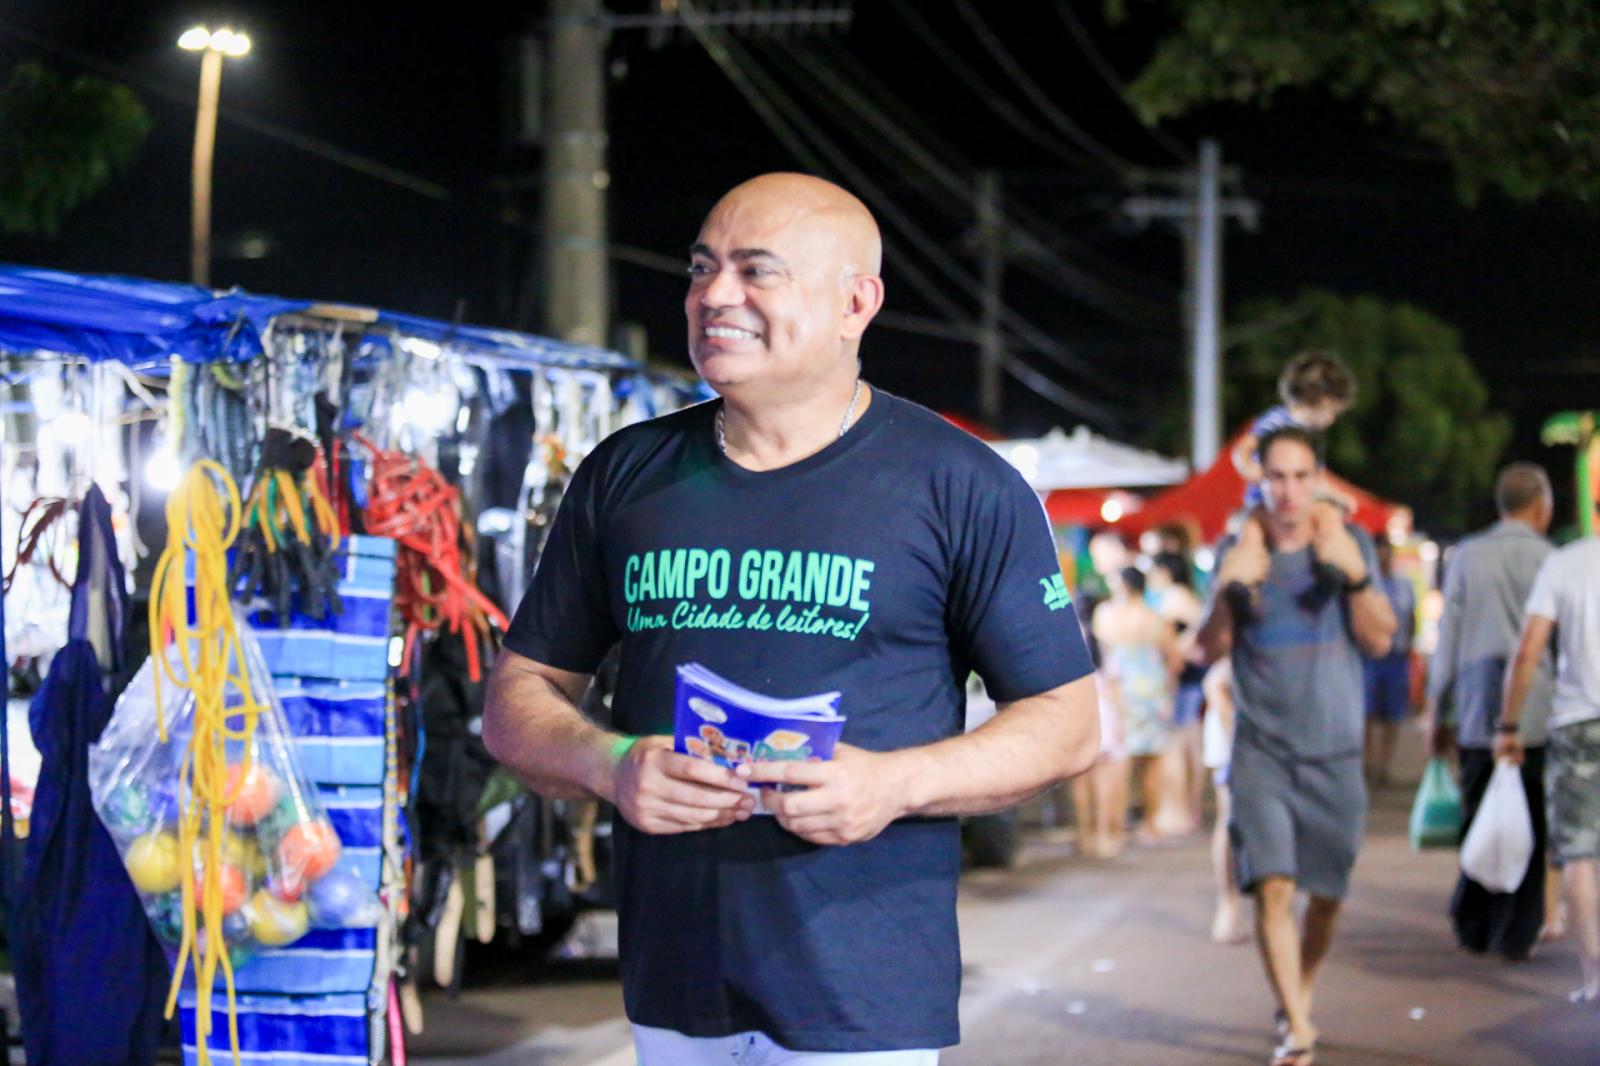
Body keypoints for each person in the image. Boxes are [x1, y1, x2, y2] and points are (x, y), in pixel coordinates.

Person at [480, 172, 1099, 1064]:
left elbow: (1068, 723)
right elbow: (517, 697)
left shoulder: (961, 485)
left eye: (756, 270)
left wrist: (894, 785)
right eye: (702, 268)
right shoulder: (624, 473)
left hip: (861, 998)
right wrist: (610, 765)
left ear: (856, 303)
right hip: (672, 988)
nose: (714, 295)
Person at [1197, 425, 1396, 1066]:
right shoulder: (1236, 550)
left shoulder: (1347, 542)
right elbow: (1205, 650)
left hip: (1335, 749)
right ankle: (1299, 1029)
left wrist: (1356, 580)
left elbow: (1381, 640)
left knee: (1327, 894)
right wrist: (1227, 592)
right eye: (1276, 476)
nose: (1288, 490)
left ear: (1317, 480)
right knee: (1274, 887)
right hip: (1262, 749)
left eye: (1300, 476)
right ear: (1259, 480)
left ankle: (1296, 999)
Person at [1424, 463, 1557, 960]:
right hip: (1537, 713)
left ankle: (1474, 922)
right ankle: (1516, 931)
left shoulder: (1467, 555)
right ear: (1540, 507)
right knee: (1531, 822)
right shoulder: (1550, 559)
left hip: (1477, 710)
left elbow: (1448, 640)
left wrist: (1436, 709)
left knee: (1479, 812)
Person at [1496, 504, 1600, 1005]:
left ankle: (1594, 974)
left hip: (1577, 723)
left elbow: (1528, 651)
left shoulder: (1565, 563)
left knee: (1579, 855)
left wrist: (1508, 724)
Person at [1094, 566, 1186, 842]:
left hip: (1117, 691)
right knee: (1152, 762)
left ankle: (1113, 826)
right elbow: (1174, 659)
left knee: (1118, 762)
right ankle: (1151, 822)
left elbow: (1098, 656)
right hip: (1152, 692)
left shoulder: (1105, 616)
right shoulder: (1155, 618)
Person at [1148, 551, 1207, 827]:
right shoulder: (1175, 597)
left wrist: (1180, 649)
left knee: (1180, 745)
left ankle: (1182, 811)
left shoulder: (1175, 597)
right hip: (1187, 681)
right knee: (1186, 744)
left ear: (1165, 572)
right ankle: (1186, 810)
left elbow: (1202, 627)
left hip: (1185, 683)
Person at [1362, 539, 1416, 786]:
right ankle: (1366, 765)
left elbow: (1411, 617)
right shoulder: (1366, 584)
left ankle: (1384, 767)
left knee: (1393, 715)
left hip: (1397, 656)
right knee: (1367, 713)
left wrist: (1409, 648)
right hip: (1370, 657)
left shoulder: (1404, 584)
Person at [1202, 657, 1247, 944]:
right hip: (1232, 720)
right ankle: (1227, 902)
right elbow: (1215, 682)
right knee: (1231, 818)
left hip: (1280, 717)